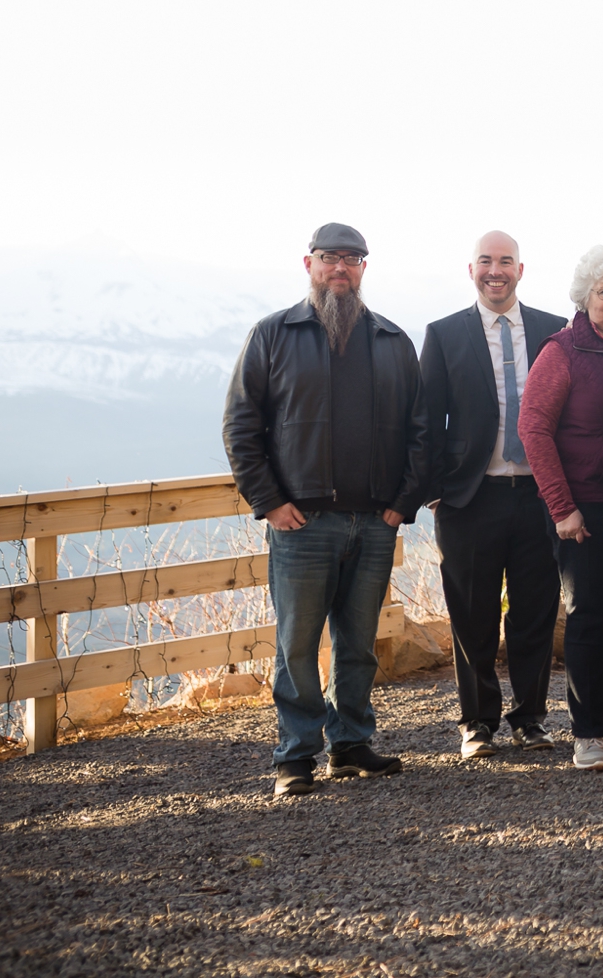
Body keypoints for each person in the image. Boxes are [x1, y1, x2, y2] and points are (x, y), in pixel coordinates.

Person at [222, 223, 425, 799]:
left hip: (375, 521)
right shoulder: (273, 334)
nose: (342, 267)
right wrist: (269, 502)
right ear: (308, 263)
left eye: (353, 258)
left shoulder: (391, 340)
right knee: (297, 644)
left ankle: (352, 743)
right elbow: (241, 425)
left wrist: (401, 504)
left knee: (359, 643)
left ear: (365, 268)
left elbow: (419, 432)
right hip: (303, 522)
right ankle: (296, 756)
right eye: (331, 257)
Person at [418, 231, 567, 758]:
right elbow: (427, 418)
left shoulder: (555, 330)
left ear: (521, 270)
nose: (496, 270)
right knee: (472, 613)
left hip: (539, 494)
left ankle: (530, 718)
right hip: (470, 496)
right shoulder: (444, 334)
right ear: (471, 269)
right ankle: (477, 723)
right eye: (486, 261)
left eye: (506, 261)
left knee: (534, 613)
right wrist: (436, 491)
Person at [514, 245, 603, 772]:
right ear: (584, 297)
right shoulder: (564, 350)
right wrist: (561, 507)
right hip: (585, 509)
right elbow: (533, 428)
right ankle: (589, 732)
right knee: (591, 616)